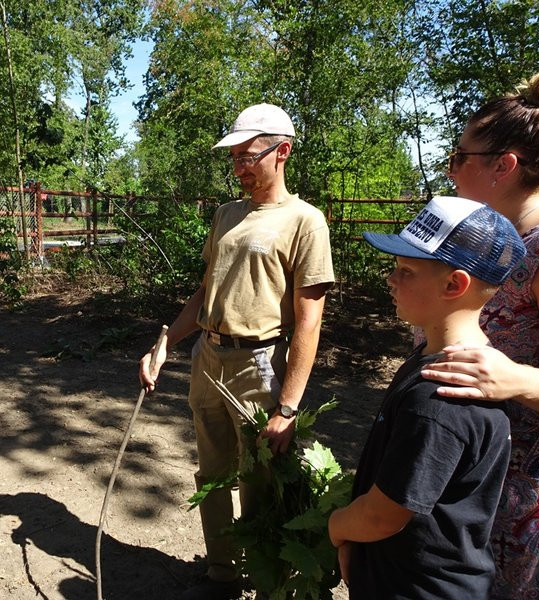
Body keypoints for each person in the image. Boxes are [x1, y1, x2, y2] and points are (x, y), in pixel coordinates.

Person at [138, 103, 334, 599]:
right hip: (208, 356)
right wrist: (165, 344)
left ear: (282, 152)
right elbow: (206, 292)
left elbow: (309, 321)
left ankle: (266, 582)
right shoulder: (226, 215)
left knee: (260, 480)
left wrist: (288, 407)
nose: (239, 168)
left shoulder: (305, 222)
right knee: (212, 473)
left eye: (249, 157)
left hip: (259, 365)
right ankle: (221, 576)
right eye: (235, 160)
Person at [328, 196, 526, 599]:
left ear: (454, 284)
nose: (390, 279)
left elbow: (385, 515)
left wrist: (338, 528)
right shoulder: (437, 360)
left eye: (406, 270)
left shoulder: (443, 395)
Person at [417, 66, 539, 599]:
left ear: (504, 165)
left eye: (459, 158)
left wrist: (517, 378)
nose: (451, 171)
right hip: (462, 488)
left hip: (522, 513)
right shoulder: (482, 236)